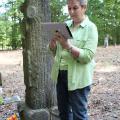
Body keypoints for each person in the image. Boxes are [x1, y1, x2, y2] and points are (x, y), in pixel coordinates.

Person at [49, 0, 98, 120]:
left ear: (84, 7)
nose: (71, 12)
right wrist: (53, 43)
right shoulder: (64, 25)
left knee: (79, 115)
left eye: (75, 8)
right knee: (64, 113)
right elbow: (54, 52)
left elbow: (87, 56)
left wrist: (68, 46)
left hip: (79, 77)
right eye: (69, 8)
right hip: (60, 74)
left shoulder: (91, 28)